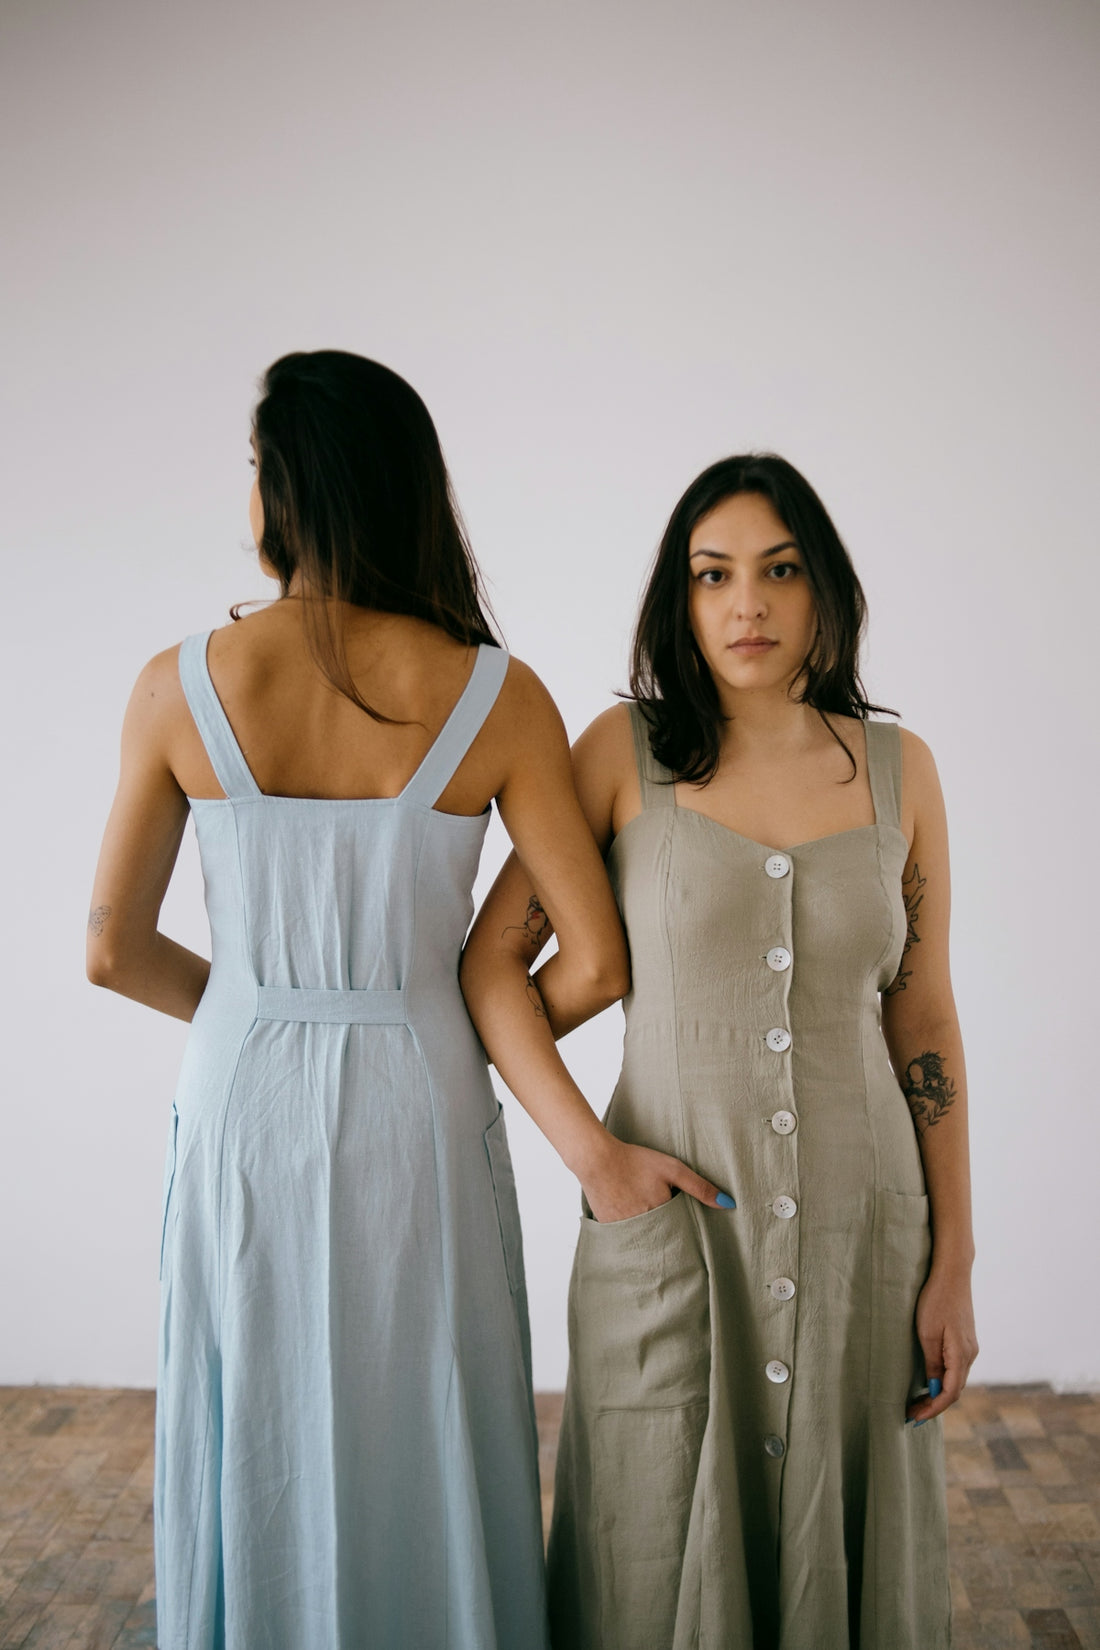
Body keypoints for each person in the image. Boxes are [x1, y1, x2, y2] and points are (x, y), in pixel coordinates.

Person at [86, 350, 635, 1650]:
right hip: (422, 1096)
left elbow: (111, 947)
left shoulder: (178, 683)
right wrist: (441, 1021)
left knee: (253, 1405)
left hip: (242, 1094)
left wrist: (258, 1010)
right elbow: (600, 959)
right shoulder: (498, 696)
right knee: (426, 1400)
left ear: (282, 490)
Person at [461, 453, 978, 1650]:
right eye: (712, 576)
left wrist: (952, 1254)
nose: (745, 605)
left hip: (865, 1236)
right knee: (650, 1537)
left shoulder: (899, 772)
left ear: (822, 593)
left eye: (777, 571)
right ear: (678, 601)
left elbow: (924, 1015)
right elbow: (493, 971)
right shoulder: (616, 756)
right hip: (679, 1233)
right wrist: (592, 1158)